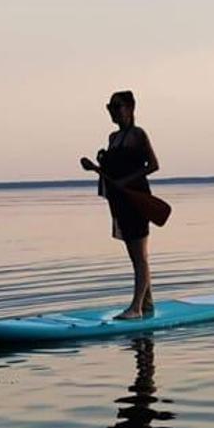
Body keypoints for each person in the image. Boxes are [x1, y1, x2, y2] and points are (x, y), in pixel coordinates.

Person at [80, 90, 162, 319]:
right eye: (110, 107)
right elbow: (112, 172)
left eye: (117, 107)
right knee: (134, 256)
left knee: (140, 255)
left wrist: (128, 181)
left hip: (137, 197)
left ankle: (135, 308)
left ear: (130, 108)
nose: (112, 112)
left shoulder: (138, 134)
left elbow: (153, 165)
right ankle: (147, 304)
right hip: (120, 201)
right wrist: (94, 167)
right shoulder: (113, 138)